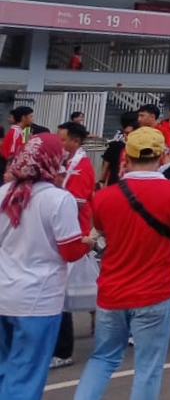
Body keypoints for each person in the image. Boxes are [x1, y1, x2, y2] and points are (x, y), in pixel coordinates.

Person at [73, 128, 170, 400]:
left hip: (112, 290)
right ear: (161, 155)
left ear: (126, 157)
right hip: (156, 290)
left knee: (102, 358)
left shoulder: (104, 196)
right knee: (148, 367)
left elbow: (103, 232)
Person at [0, 135, 91, 400]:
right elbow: (70, 250)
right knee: (27, 375)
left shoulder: (4, 193)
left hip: (3, 291)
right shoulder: (58, 199)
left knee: (6, 369)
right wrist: (89, 242)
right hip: (38, 298)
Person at [52, 122, 95, 369]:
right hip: (66, 234)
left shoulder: (81, 167)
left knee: (60, 296)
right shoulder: (68, 164)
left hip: (73, 234)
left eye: (63, 139)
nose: (60, 144)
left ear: (76, 141)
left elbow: (75, 202)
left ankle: (63, 350)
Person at [2, 106, 35, 178]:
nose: (32, 119)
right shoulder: (15, 132)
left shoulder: (19, 132)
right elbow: (12, 154)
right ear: (23, 118)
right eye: (31, 116)